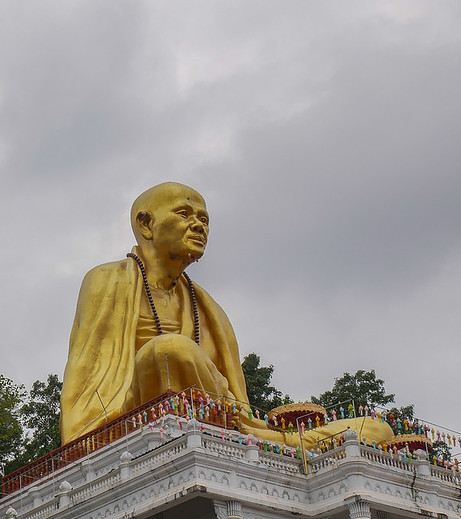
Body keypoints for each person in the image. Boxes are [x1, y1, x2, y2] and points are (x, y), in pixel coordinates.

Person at [60, 182, 393, 449]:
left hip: (224, 417)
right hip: (131, 413)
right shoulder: (107, 280)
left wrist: (242, 419)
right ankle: (283, 443)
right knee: (169, 350)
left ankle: (271, 439)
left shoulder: (206, 305)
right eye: (184, 214)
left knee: (376, 429)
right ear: (146, 224)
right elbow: (90, 382)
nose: (198, 226)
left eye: (204, 220)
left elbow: (230, 394)